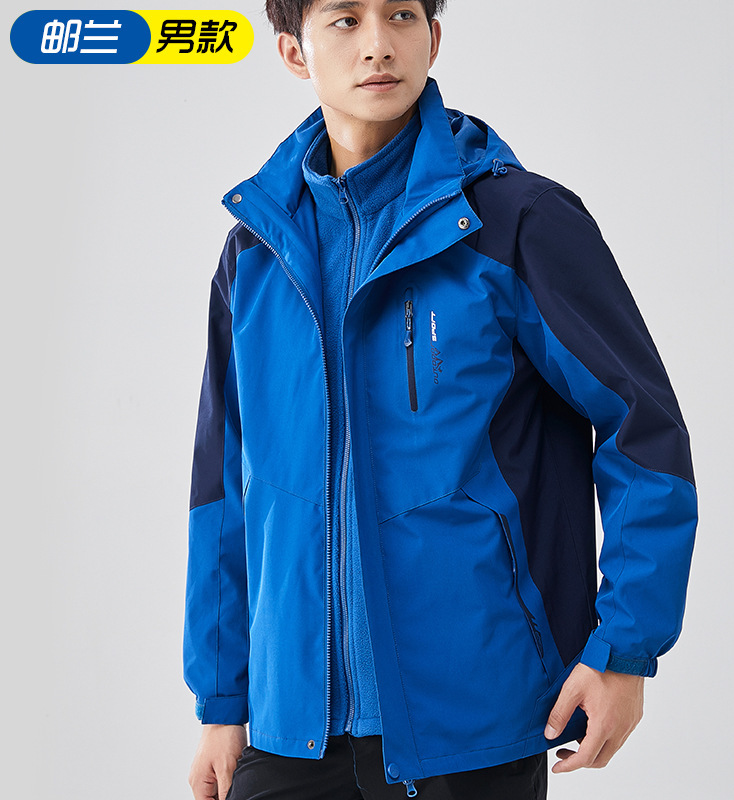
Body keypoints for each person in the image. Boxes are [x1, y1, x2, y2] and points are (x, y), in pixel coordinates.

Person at [183, 1, 698, 798]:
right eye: (345, 20)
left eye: (400, 15)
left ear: (434, 37)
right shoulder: (254, 253)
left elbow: (643, 429)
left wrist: (623, 650)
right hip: (293, 721)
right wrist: (223, 702)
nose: (378, 45)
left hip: (470, 717)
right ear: (292, 52)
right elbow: (224, 488)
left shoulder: (514, 222)